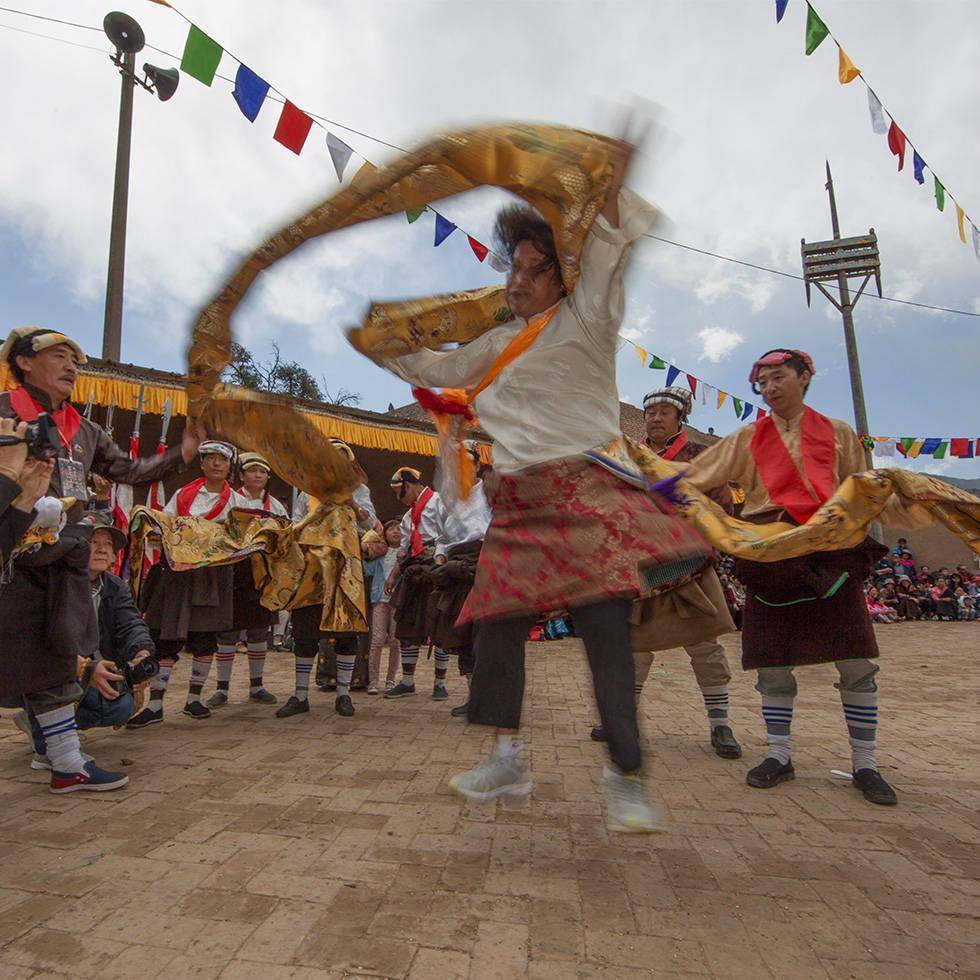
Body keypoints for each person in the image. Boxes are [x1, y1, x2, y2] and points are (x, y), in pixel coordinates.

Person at [381, 137, 711, 831]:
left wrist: (612, 186)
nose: (519, 281)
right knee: (495, 627)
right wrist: (382, 343)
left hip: (589, 496)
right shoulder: (499, 344)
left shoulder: (588, 319)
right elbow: (439, 370)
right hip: (522, 504)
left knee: (603, 634)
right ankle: (507, 756)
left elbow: (614, 248)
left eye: (536, 270)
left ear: (563, 277)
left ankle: (626, 773)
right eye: (515, 269)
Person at [686, 348, 907, 806]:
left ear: (805, 377)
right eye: (762, 382)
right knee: (771, 664)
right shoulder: (747, 437)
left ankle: (865, 764)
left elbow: (861, 491)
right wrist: (634, 470)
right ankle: (778, 755)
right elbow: (695, 474)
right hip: (770, 552)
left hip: (829, 552)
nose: (769, 388)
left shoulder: (839, 433)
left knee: (856, 663)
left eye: (778, 377)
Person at [0, 326, 200, 788]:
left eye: (76, 359)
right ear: (24, 362)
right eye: (59, 356)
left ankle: (67, 765)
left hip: (63, 558)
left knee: (55, 658)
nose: (71, 366)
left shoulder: (84, 430)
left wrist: (182, 452)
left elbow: (130, 470)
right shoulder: (6, 415)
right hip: (11, 557)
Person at [591, 385, 741, 759]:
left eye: (663, 412)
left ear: (680, 417)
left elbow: (722, 508)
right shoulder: (628, 458)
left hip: (690, 563)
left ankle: (720, 723)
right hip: (642, 566)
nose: (655, 418)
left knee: (704, 645)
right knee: (635, 647)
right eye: (651, 412)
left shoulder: (699, 457)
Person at [15, 511, 153, 780]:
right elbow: (41, 643)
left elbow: (131, 624)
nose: (102, 549)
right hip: (48, 670)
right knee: (61, 684)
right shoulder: (53, 581)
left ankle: (48, 727)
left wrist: (141, 653)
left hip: (91, 668)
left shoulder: (115, 587)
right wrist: (85, 668)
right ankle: (47, 739)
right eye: (93, 542)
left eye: (109, 544)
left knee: (120, 706)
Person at [128, 441, 248, 727]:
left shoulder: (238, 503)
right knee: (165, 636)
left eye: (222, 460)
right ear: (203, 464)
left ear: (229, 467)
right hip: (178, 574)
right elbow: (167, 525)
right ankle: (156, 704)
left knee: (204, 637)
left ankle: (194, 699)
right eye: (211, 459)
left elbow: (244, 537)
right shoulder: (184, 495)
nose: (217, 464)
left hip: (213, 576)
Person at [276, 439, 372, 719]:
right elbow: (295, 524)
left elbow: (370, 522)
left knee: (346, 631)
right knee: (305, 629)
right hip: (312, 569)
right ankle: (300, 695)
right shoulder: (308, 491)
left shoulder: (359, 489)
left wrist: (352, 503)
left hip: (345, 570)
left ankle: (343, 695)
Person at [209, 452, 288, 709]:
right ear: (241, 475)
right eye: (252, 471)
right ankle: (221, 689)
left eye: (263, 472)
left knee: (258, 630)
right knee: (227, 630)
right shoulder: (229, 500)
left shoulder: (275, 506)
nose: (258, 475)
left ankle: (257, 685)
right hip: (233, 572)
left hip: (262, 575)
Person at [428, 442, 493, 719]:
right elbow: (442, 540)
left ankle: (489, 698)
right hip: (456, 570)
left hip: (485, 565)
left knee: (485, 636)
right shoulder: (447, 499)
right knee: (464, 636)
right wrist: (441, 562)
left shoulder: (490, 493)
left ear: (478, 466)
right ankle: (474, 698)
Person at [383, 467, 452, 700]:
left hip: (436, 568)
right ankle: (408, 681)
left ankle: (440, 683)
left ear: (409, 486)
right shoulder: (406, 518)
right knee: (407, 625)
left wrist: (441, 562)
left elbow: (450, 535)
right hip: (413, 572)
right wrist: (393, 575)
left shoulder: (439, 503)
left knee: (440, 626)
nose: (398, 498)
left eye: (399, 492)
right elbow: (404, 551)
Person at [362, 521, 403, 694]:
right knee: (377, 640)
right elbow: (366, 569)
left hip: (398, 600)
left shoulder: (405, 553)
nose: (396, 531)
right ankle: (373, 681)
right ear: (384, 534)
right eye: (391, 528)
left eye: (399, 528)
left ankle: (391, 680)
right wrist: (364, 550)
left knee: (395, 641)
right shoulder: (380, 554)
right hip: (379, 599)